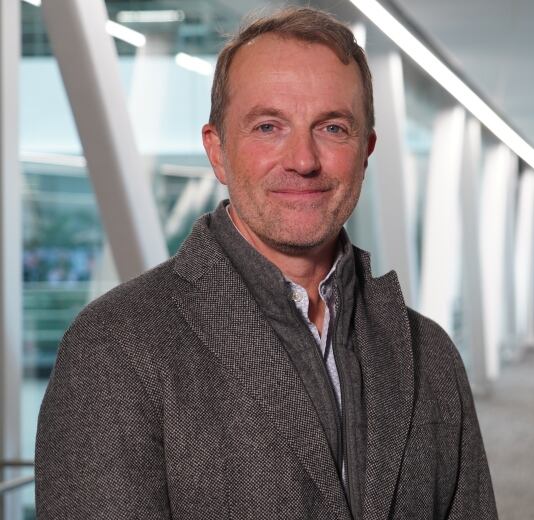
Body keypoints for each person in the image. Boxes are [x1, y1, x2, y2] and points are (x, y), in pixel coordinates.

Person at [35, 7, 497, 519]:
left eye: (333, 128)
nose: (303, 159)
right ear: (217, 151)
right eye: (268, 126)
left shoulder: (429, 355)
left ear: (365, 151)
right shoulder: (114, 347)